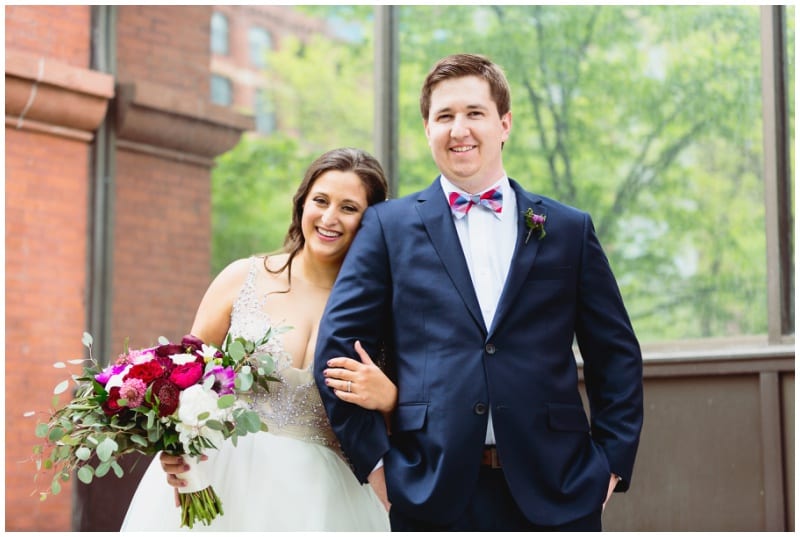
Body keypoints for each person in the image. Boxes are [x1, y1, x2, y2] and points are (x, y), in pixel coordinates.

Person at [314, 53, 644, 531]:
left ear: (504, 124)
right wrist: (379, 471)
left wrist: (609, 466)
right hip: (430, 489)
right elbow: (338, 352)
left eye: (474, 113)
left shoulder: (569, 228)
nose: (459, 129)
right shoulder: (388, 227)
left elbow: (615, 356)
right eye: (444, 116)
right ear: (427, 129)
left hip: (560, 488)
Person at [121, 147, 396, 531]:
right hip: (220, 479)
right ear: (302, 204)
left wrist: (389, 399)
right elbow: (181, 379)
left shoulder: (380, 313)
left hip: (323, 502)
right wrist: (172, 446)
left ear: (370, 221)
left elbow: (401, 424)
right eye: (320, 201)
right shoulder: (242, 278)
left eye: (349, 208)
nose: (330, 218)